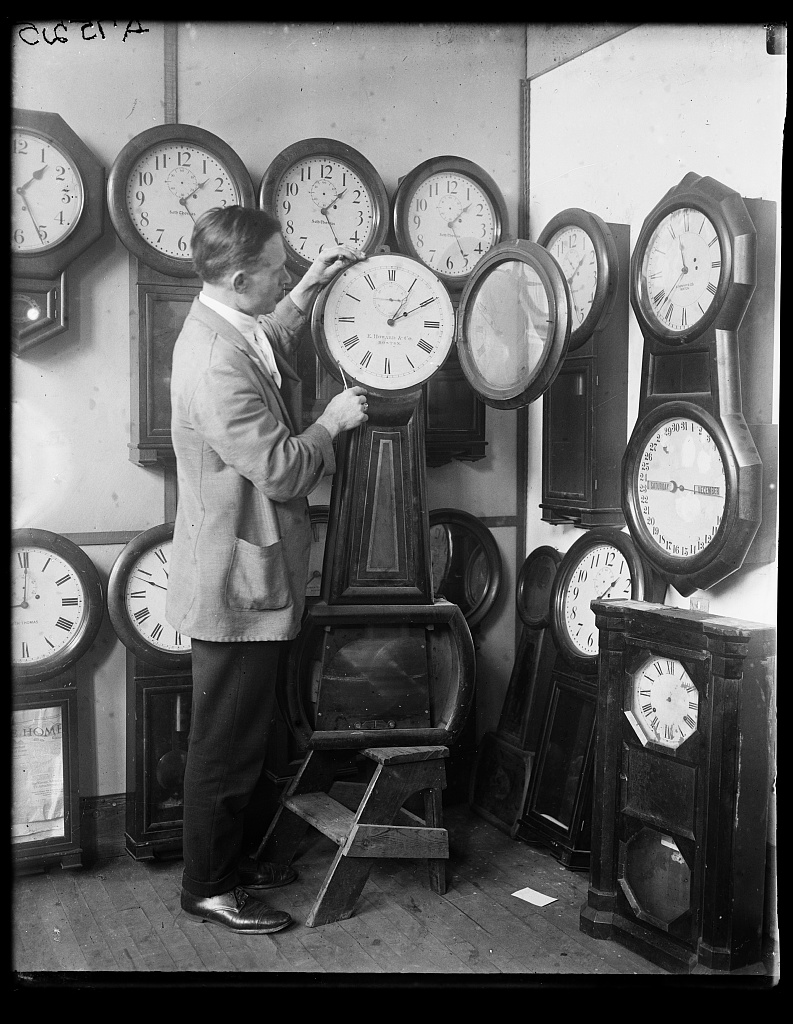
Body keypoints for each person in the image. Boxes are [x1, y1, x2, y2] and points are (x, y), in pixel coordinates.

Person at [166, 205, 368, 935]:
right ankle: (209, 888)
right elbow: (284, 472)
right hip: (236, 588)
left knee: (247, 738)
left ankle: (236, 863)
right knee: (226, 749)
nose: (287, 273)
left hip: (248, 577)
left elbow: (264, 336)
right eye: (280, 267)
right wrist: (331, 423)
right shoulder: (214, 365)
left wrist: (306, 291)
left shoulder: (225, 324)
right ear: (241, 275)